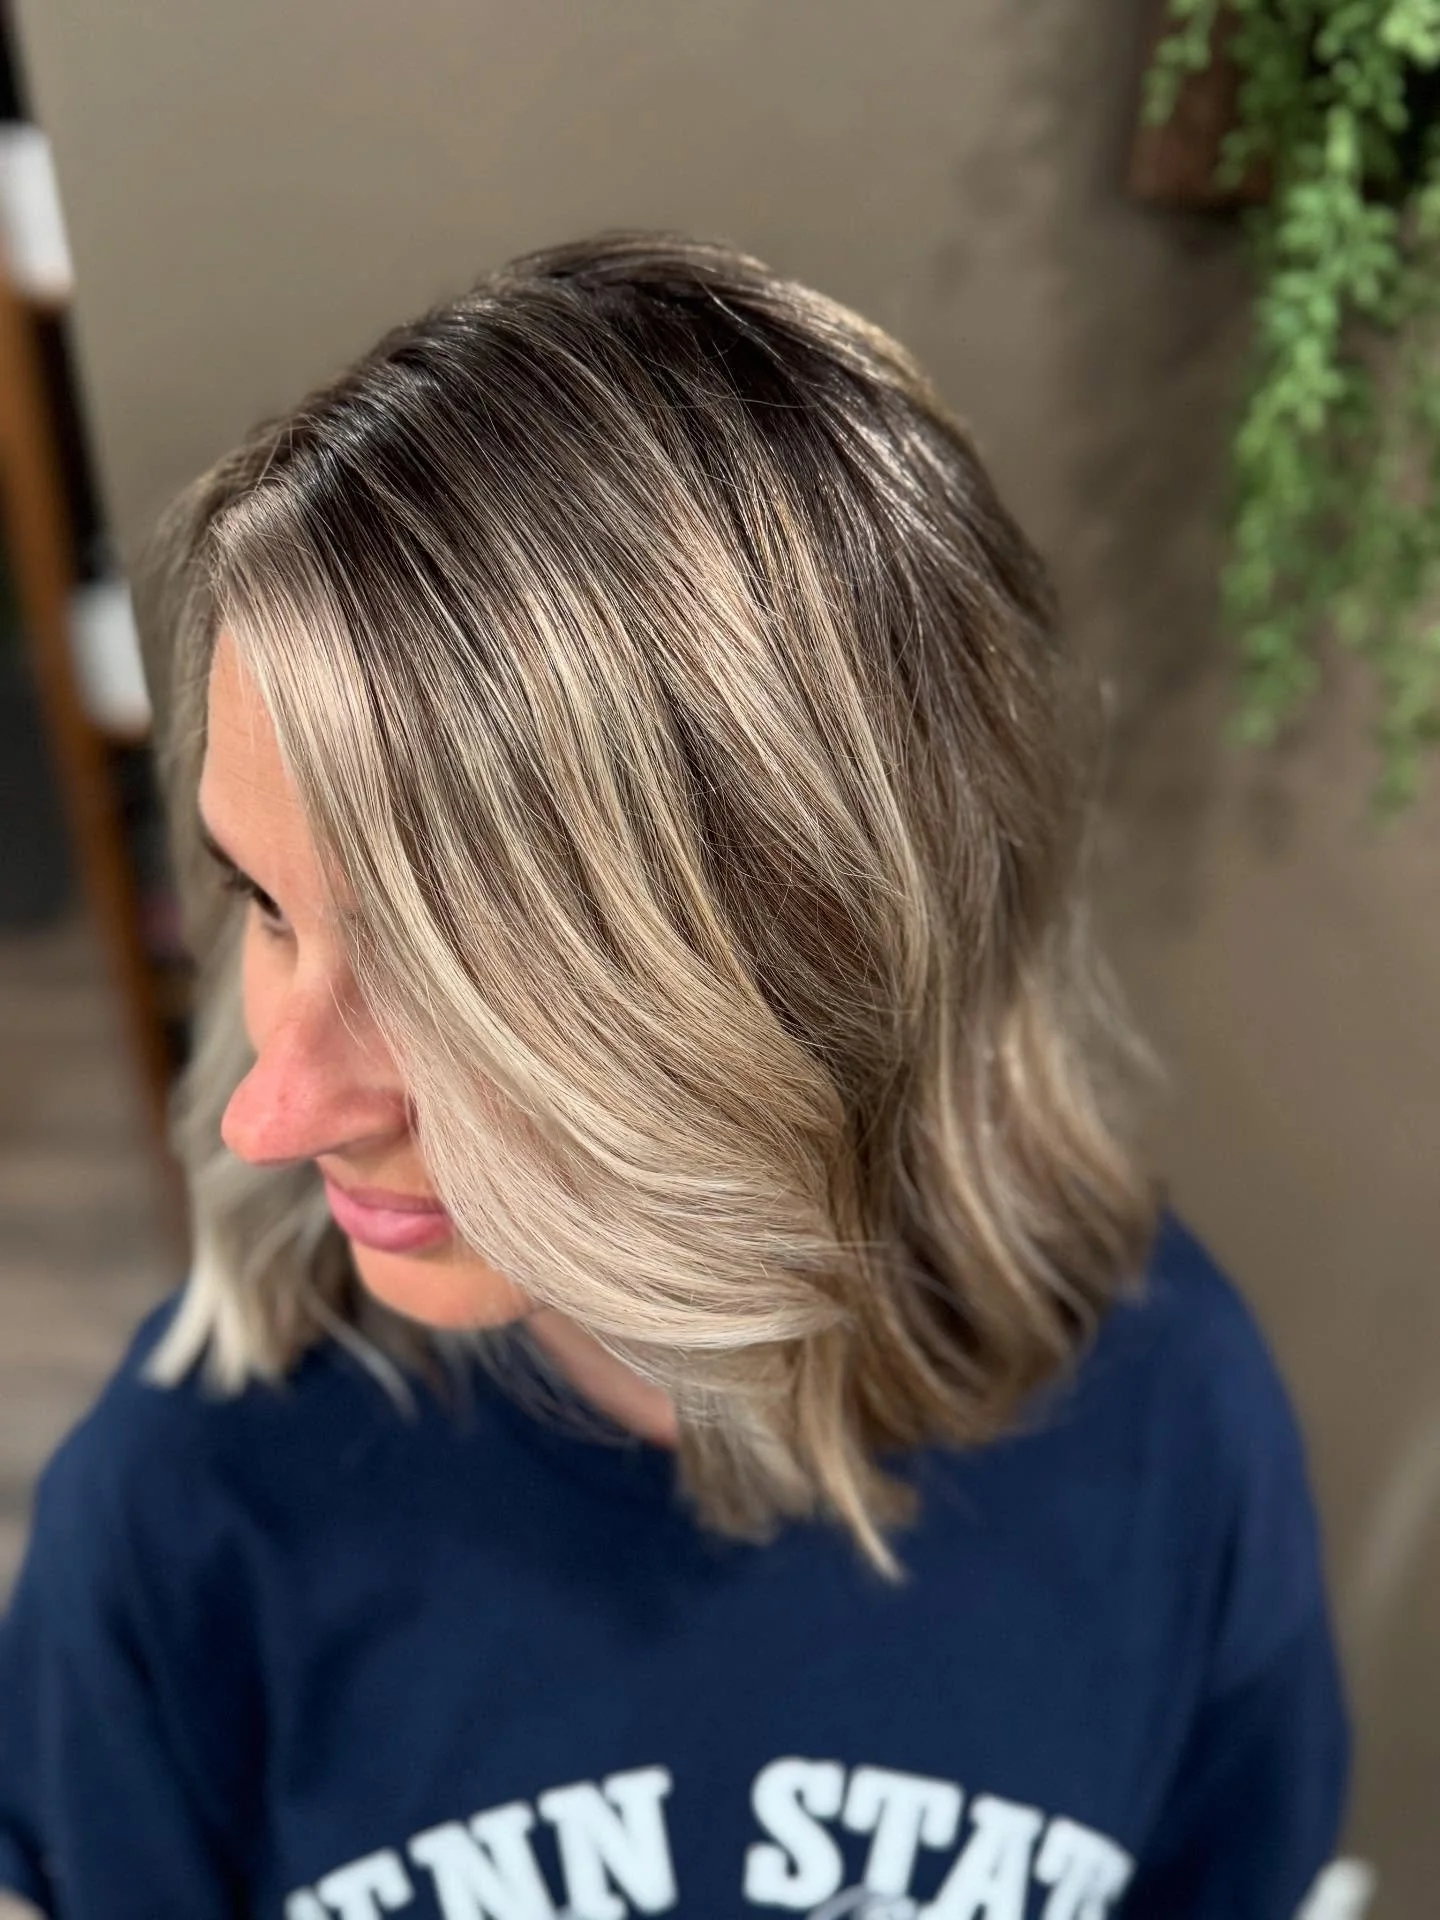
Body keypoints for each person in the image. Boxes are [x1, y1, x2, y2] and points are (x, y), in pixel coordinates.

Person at [0, 232, 1348, 1920]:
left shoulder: (1174, 1429)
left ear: (822, 971)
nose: (275, 1111)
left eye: (453, 986)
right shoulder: (182, 1519)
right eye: (266, 907)